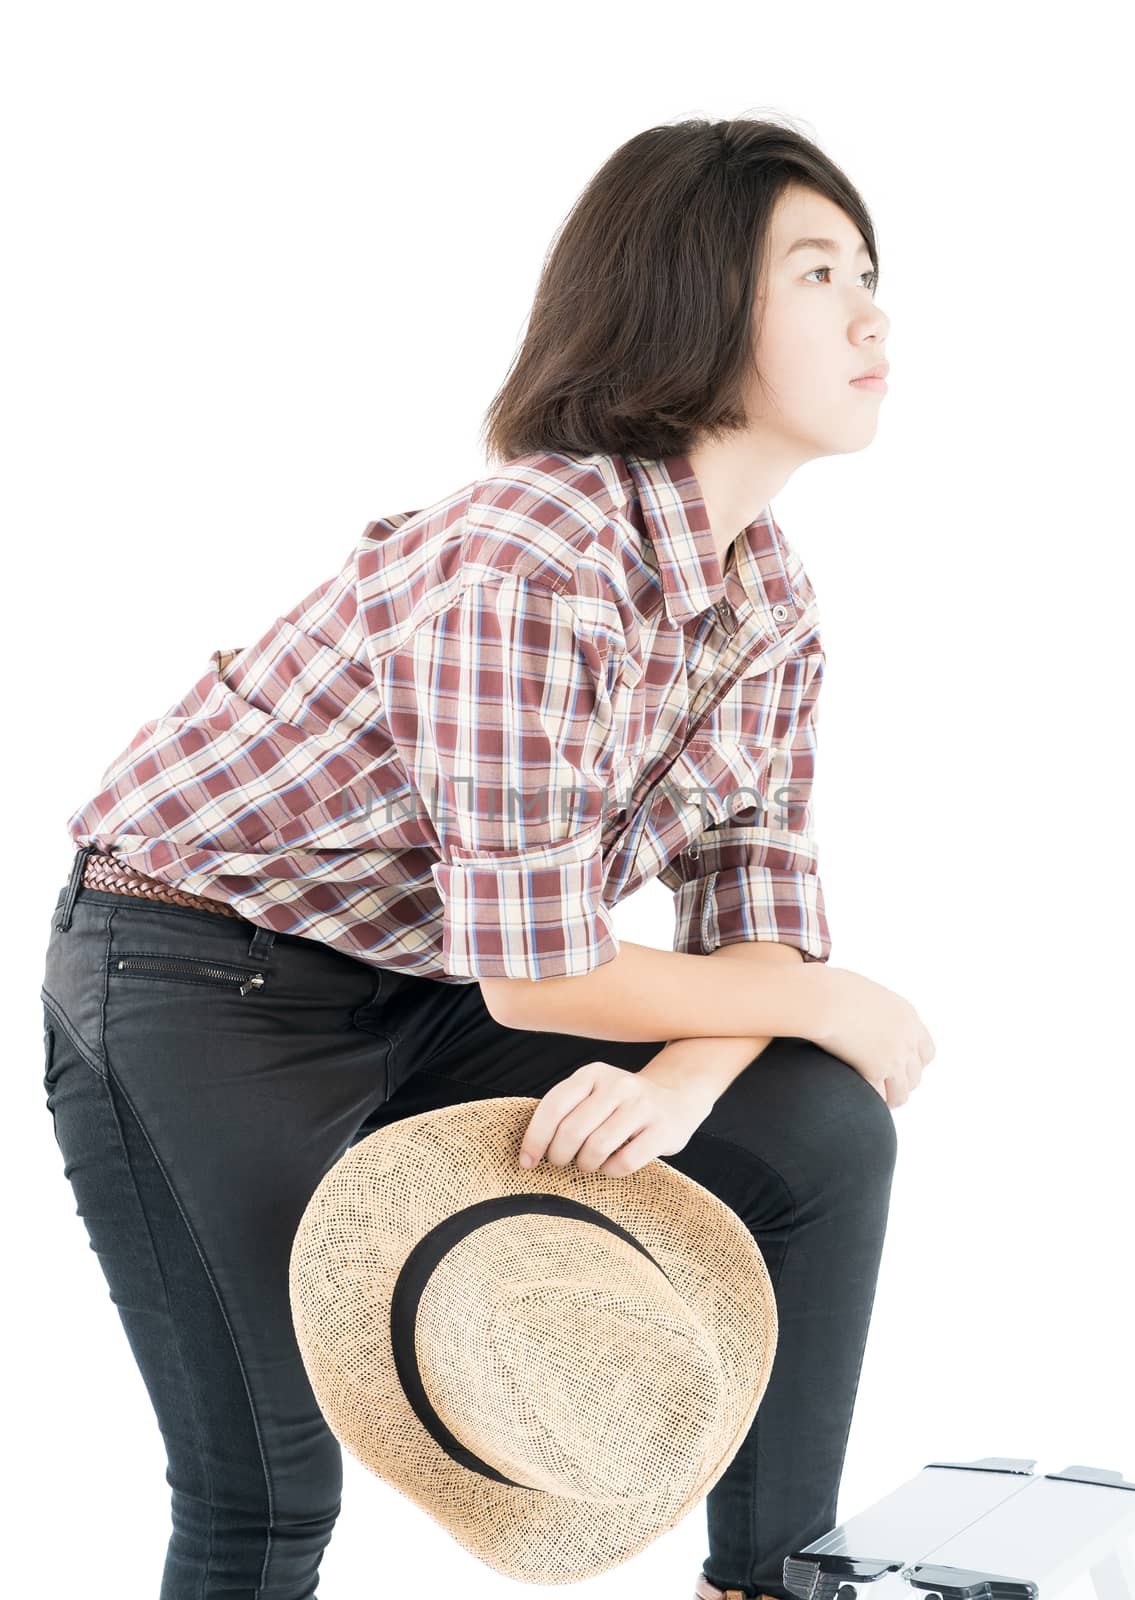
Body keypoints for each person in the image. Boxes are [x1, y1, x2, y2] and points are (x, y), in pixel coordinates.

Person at [40, 113, 934, 1600]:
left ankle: (768, 1584)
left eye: (870, 268)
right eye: (817, 270)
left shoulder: (766, 592)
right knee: (268, 1481)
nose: (872, 311)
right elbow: (538, 976)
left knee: (822, 1133)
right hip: (200, 969)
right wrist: (832, 1004)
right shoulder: (533, 553)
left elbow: (754, 911)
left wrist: (689, 1075)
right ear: (692, 303)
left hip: (430, 967)